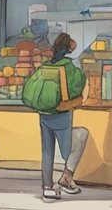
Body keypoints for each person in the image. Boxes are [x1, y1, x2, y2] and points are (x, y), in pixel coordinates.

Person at [37, 34, 88, 200]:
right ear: (68, 49)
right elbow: (78, 87)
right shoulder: (70, 68)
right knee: (80, 135)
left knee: (47, 151)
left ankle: (47, 187)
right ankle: (67, 176)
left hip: (45, 115)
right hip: (62, 115)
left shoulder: (45, 67)